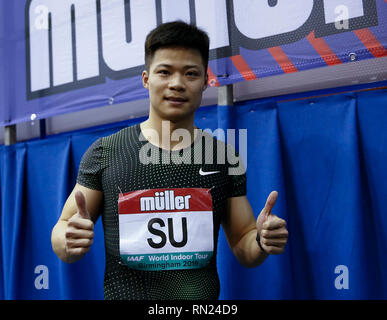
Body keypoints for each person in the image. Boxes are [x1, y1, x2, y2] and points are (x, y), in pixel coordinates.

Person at [51, 21, 288, 300]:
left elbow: (243, 243)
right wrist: (67, 239)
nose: (176, 84)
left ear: (204, 82)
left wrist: (261, 240)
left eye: (190, 73)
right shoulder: (106, 152)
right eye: (164, 72)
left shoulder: (223, 157)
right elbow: (63, 228)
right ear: (146, 79)